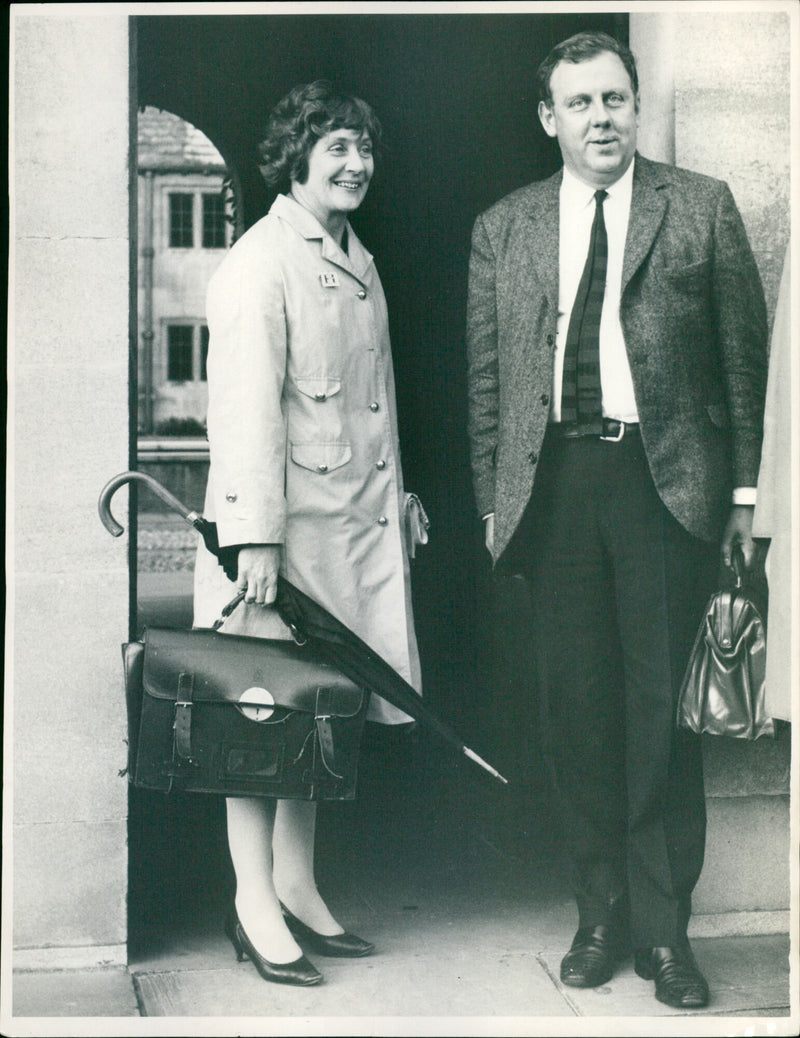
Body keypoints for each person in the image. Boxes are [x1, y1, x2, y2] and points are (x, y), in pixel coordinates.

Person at [466, 32, 767, 1009]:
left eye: (613, 99)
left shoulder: (700, 207)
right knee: (578, 713)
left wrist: (743, 496)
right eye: (579, 103)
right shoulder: (504, 227)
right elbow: (487, 381)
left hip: (663, 488)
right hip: (553, 488)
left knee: (659, 714)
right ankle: (597, 917)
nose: (600, 118)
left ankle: (664, 933)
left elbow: (744, 360)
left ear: (634, 106)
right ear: (547, 118)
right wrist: (492, 501)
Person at [193, 81, 427, 986]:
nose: (356, 164)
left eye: (364, 148)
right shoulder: (259, 262)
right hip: (280, 546)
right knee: (259, 715)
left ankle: (295, 883)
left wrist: (400, 496)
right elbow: (243, 410)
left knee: (318, 708)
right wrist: (251, 537)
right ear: (296, 157)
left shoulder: (355, 259)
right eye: (337, 147)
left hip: (348, 533)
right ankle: (252, 902)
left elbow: (369, 406)